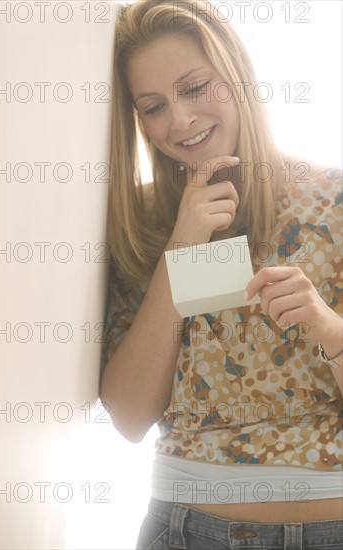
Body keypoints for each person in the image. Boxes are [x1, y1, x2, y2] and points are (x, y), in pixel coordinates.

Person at [100, 1, 343, 548]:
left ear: (235, 75)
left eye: (194, 87)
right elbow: (130, 418)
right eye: (154, 105)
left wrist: (329, 329)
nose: (181, 120)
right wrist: (180, 247)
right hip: (184, 528)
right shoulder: (140, 224)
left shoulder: (335, 201)